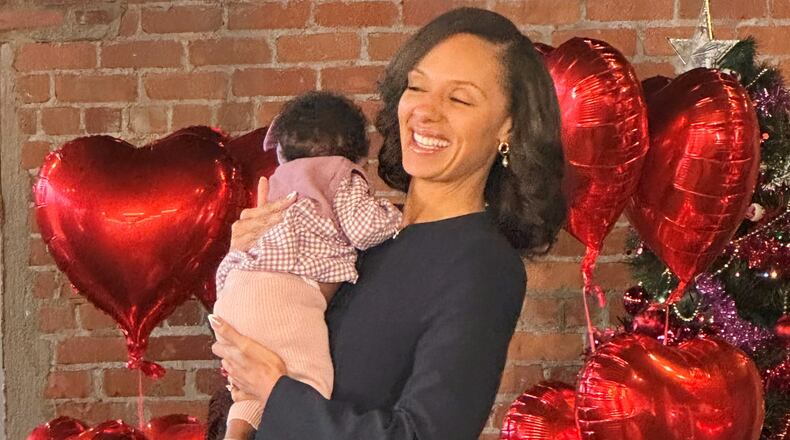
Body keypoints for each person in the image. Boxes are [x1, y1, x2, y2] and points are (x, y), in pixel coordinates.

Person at [209, 7, 565, 440]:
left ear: (508, 126)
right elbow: (263, 358)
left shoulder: (484, 266)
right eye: (417, 87)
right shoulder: (361, 233)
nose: (425, 112)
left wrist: (275, 391)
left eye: (459, 98)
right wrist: (247, 266)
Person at [212, 91, 403, 439]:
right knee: (307, 387)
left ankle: (236, 431)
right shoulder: (340, 173)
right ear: (358, 151)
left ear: (279, 147)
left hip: (235, 288)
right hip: (285, 293)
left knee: (256, 378)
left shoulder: (278, 179)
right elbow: (365, 229)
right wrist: (398, 218)